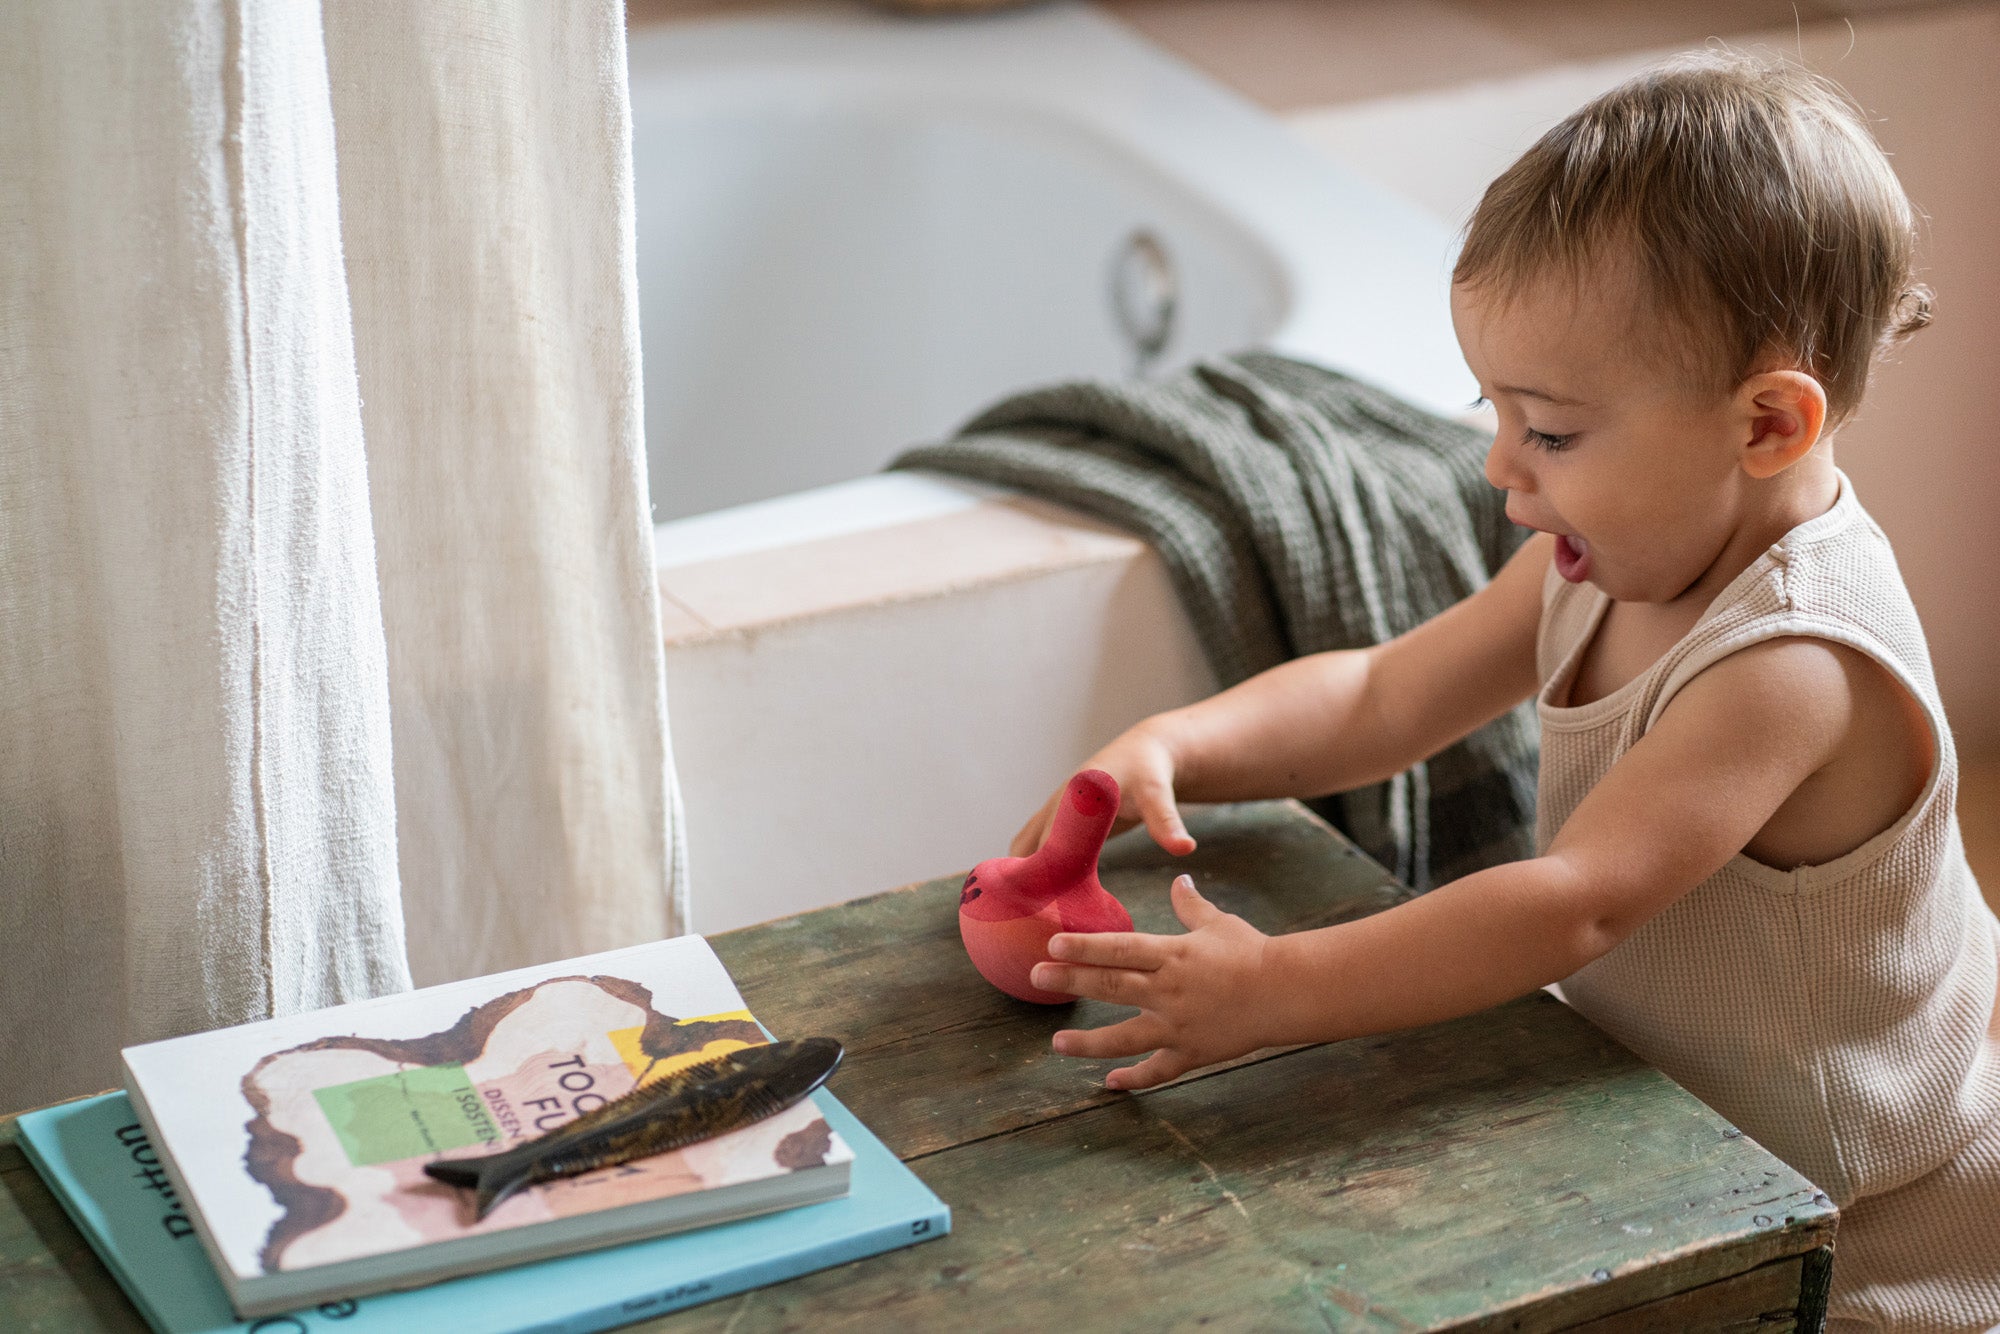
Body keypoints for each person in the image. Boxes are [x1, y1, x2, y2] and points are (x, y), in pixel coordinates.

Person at [1011, 52, 1999, 1330]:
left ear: (1763, 426)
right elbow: (1380, 695)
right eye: (1493, 409)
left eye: (1549, 429)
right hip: (1670, 1106)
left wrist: (1284, 985)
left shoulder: (1791, 664)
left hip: (1860, 1208)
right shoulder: (1600, 557)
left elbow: (1574, 904)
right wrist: (1182, 740)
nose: (1497, 468)